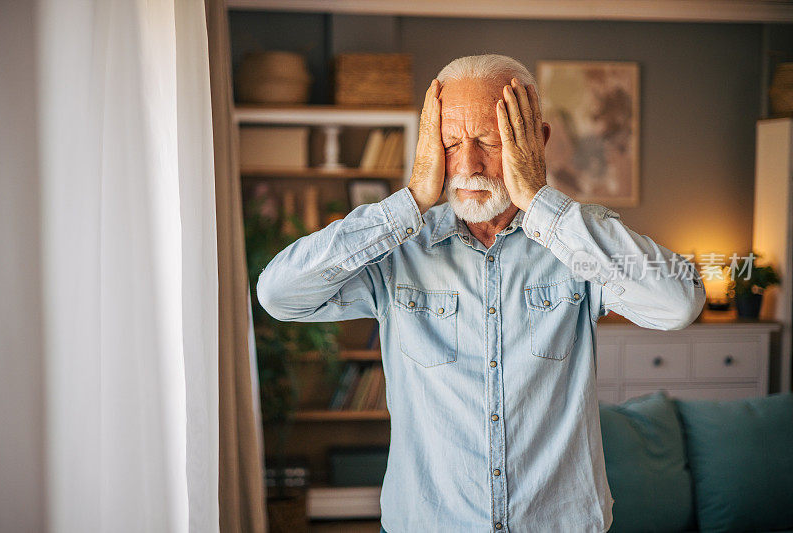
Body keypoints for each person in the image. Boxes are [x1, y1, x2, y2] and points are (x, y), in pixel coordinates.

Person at [256, 54, 706, 532]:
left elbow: (679, 303)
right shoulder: (398, 251)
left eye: (488, 141)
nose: (467, 164)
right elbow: (279, 296)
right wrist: (408, 201)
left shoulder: (579, 242)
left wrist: (537, 199)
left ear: (539, 142)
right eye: (450, 143)